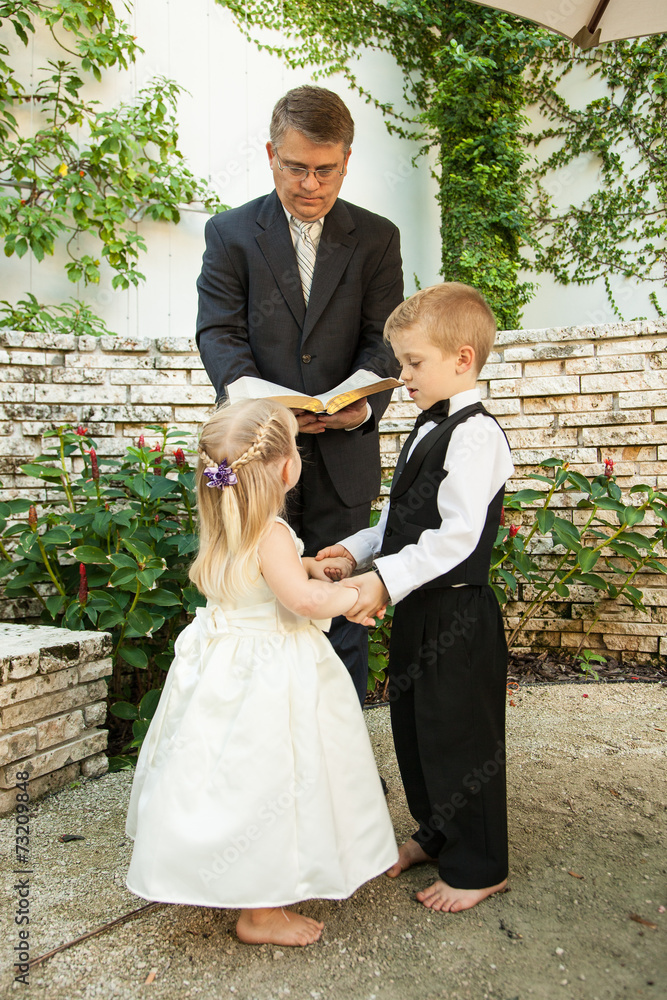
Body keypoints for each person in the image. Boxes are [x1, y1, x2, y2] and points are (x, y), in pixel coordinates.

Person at [125, 399, 398, 946]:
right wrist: (350, 594)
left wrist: (303, 565)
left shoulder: (224, 521)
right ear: (285, 467)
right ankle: (262, 913)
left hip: (223, 664)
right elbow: (298, 600)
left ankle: (223, 869)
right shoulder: (271, 530)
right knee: (273, 781)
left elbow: (264, 577)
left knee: (228, 778)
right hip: (272, 670)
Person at [196, 84, 403, 705]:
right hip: (254, 460)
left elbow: (386, 338)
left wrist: (361, 404)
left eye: (325, 170)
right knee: (256, 595)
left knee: (339, 613)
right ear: (270, 155)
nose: (311, 184)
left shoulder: (377, 238)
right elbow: (218, 331)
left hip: (345, 459)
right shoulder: (230, 234)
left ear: (346, 162)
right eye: (296, 167)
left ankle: (338, 766)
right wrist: (267, 411)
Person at [316, 283, 514, 913]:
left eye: (413, 363)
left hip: (458, 609)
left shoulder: (477, 435)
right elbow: (400, 519)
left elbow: (456, 537)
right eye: (401, 362)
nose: (402, 377)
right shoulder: (429, 426)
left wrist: (379, 583)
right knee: (419, 731)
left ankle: (480, 864)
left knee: (461, 737)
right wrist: (353, 552)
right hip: (417, 607)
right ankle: (436, 833)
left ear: (462, 359)